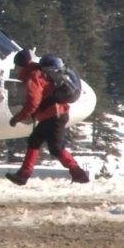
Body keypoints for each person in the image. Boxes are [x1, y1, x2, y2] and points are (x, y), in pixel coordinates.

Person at [5, 49, 89, 185]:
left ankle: (79, 173)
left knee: (56, 148)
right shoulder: (36, 73)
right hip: (52, 115)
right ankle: (23, 175)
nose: (16, 69)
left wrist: (18, 117)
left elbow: (33, 102)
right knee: (34, 141)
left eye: (16, 66)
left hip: (54, 115)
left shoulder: (33, 76)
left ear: (21, 66)